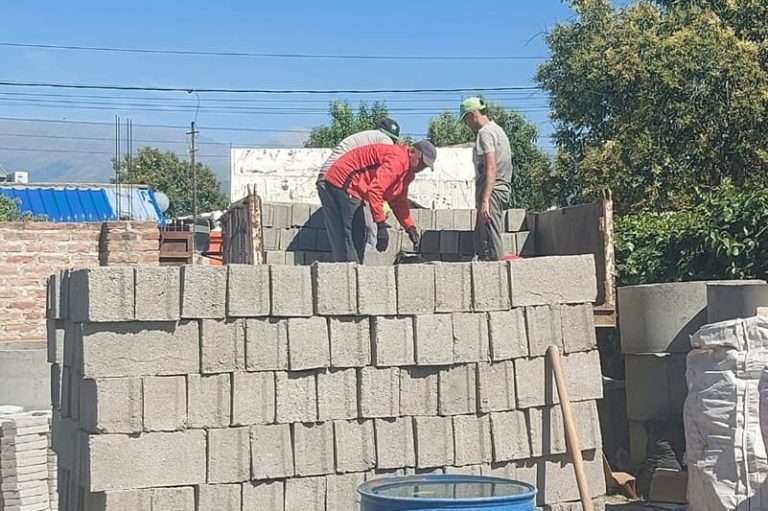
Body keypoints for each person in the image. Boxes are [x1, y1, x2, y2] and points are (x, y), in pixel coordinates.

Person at [317, 140, 437, 263]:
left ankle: (354, 272)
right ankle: (347, 275)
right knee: (349, 234)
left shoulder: (407, 174)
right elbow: (375, 190)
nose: (421, 168)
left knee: (358, 234)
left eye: (425, 166)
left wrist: (410, 227)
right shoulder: (398, 159)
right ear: (412, 151)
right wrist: (381, 225)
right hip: (342, 180)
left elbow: (398, 201)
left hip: (353, 187)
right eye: (421, 162)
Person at [316, 118, 402, 261]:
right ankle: (355, 276)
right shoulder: (385, 141)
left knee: (338, 235)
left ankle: (342, 274)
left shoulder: (366, 137)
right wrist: (381, 226)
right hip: (343, 180)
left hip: (324, 180)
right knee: (355, 233)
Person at [458, 97, 513, 261]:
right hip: (501, 189)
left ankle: (498, 281)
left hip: (493, 191)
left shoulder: (485, 133)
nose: (466, 125)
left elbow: (491, 166)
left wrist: (485, 200)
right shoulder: (497, 130)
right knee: (482, 242)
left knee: (492, 245)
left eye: (465, 120)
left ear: (472, 115)